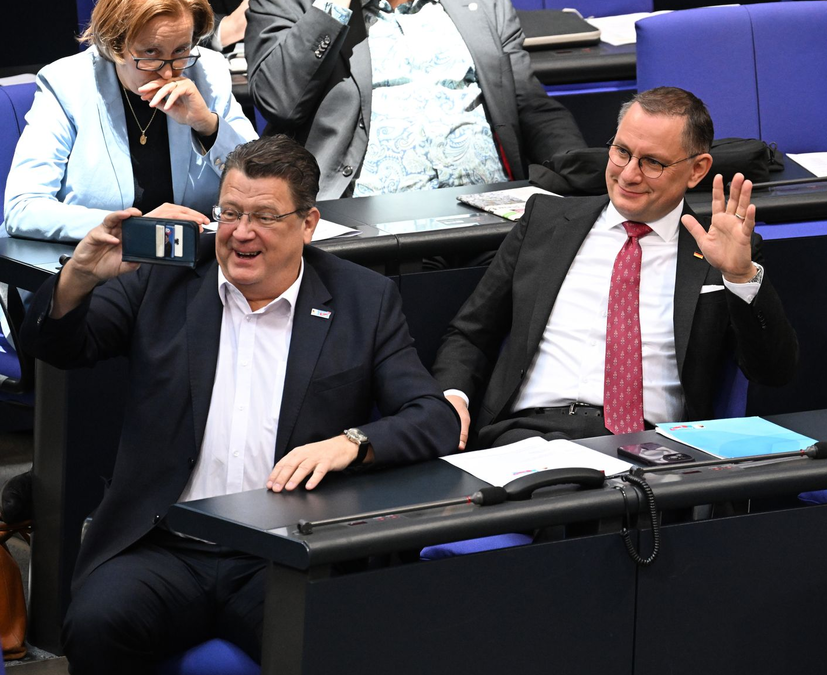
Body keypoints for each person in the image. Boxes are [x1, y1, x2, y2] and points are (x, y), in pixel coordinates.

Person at [21, 135, 458, 673]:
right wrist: (81, 275)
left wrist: (351, 443)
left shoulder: (361, 299)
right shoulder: (166, 277)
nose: (241, 233)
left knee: (333, 647)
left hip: (283, 552)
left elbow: (433, 418)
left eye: (264, 217)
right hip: (165, 543)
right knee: (95, 625)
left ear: (308, 224)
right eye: (229, 213)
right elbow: (59, 346)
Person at [433, 87, 799, 449]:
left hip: (651, 447)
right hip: (527, 436)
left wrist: (739, 277)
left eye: (652, 162)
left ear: (697, 170)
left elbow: (773, 371)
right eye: (622, 152)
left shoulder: (718, 250)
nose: (628, 175)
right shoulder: (546, 221)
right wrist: (452, 398)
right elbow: (471, 333)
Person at [244, 0, 587, 199]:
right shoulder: (292, 4)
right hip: (365, 221)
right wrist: (332, 6)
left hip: (490, 209)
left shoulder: (482, 5)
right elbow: (279, 101)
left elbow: (529, 103)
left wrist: (586, 172)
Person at [3, 0, 257, 242]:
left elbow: (261, 182)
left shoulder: (208, 72)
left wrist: (208, 125)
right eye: (151, 53)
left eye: (181, 50)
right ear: (115, 45)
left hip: (196, 259)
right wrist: (135, 228)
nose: (168, 71)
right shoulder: (67, 83)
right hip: (104, 259)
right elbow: (22, 207)